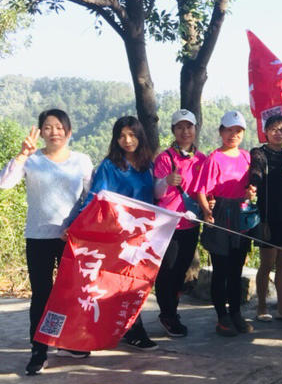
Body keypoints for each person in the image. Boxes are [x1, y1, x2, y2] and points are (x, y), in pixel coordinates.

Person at [0, 109, 93, 374]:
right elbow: (4, 183)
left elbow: (90, 198)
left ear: (69, 132)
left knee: (71, 293)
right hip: (38, 236)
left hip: (70, 238)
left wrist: (75, 226)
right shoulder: (31, 160)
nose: (54, 132)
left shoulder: (82, 161)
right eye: (48, 127)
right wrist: (22, 155)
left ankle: (68, 342)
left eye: (59, 127)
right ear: (40, 132)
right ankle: (39, 350)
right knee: (42, 294)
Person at [86, 116, 158, 350]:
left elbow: (157, 195)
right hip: (119, 235)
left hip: (144, 236)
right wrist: (78, 222)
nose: (127, 140)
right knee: (124, 283)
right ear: (115, 139)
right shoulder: (110, 166)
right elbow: (96, 196)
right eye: (122, 136)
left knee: (138, 283)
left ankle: (126, 328)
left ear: (140, 137)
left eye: (132, 135)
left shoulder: (148, 165)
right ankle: (133, 330)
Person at [192, 111, 256, 338]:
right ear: (221, 132)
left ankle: (236, 313)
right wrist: (207, 212)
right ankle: (222, 317)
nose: (233, 135)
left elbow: (250, 186)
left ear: (243, 133)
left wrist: (251, 192)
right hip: (220, 213)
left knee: (236, 269)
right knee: (221, 269)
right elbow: (201, 190)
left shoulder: (247, 157)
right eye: (229, 130)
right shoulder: (214, 158)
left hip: (241, 215)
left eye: (238, 131)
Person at [152, 109, 206, 337]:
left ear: (195, 129)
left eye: (189, 127)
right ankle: (167, 314)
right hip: (168, 224)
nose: (185, 132)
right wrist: (167, 181)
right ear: (173, 130)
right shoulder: (165, 158)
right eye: (180, 127)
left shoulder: (201, 159)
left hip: (191, 224)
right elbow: (156, 192)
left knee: (181, 269)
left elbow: (205, 189)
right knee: (167, 271)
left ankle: (172, 310)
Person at [249, 113, 282, 323]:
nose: (278, 133)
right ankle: (261, 306)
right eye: (273, 129)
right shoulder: (259, 153)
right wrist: (254, 182)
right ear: (266, 132)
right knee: (267, 263)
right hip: (268, 216)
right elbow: (256, 172)